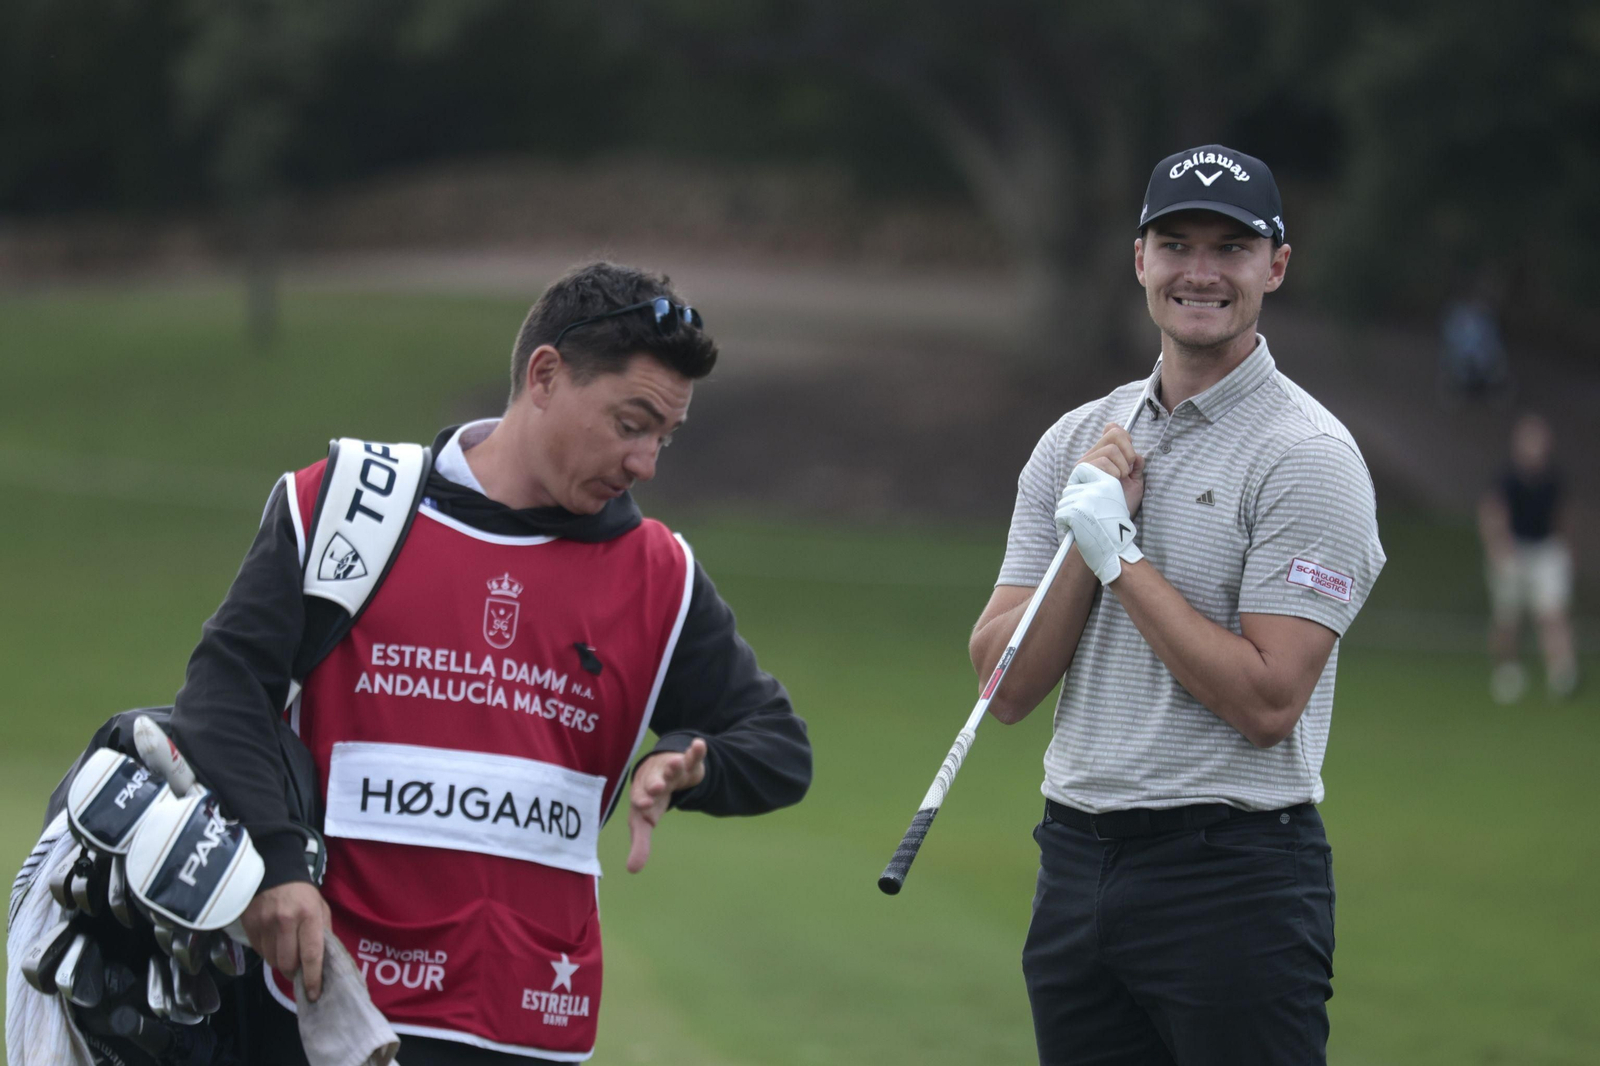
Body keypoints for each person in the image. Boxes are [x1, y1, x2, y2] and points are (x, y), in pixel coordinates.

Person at [167, 261, 813, 1064]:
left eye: (664, 437)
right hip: (326, 1012)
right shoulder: (345, 503)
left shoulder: (660, 575)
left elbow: (780, 747)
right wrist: (275, 862)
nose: (646, 461)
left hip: (532, 1023)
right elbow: (223, 694)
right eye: (631, 423)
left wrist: (690, 767)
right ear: (544, 376)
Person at [969, 145, 1386, 1065]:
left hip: (1232, 875)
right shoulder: (1079, 439)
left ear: (1275, 266)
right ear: (1140, 260)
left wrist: (1119, 555)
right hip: (1076, 864)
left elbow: (1269, 700)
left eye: (1231, 248)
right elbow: (1003, 686)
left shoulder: (1306, 456)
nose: (1201, 271)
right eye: (1177, 243)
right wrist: (1084, 546)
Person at [1477, 413, 1577, 702]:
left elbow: (1564, 516)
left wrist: (1566, 548)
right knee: (1507, 617)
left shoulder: (1554, 478)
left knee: (1552, 612)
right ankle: (1507, 671)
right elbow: (1492, 513)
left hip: (1546, 549)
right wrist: (1498, 547)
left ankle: (1563, 675)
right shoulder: (1506, 478)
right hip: (1513, 548)